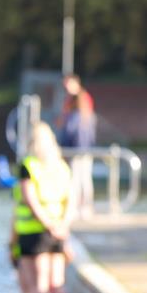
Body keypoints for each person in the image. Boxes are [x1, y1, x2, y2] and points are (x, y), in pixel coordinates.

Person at [15, 122, 75, 293]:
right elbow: (71, 200)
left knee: (38, 285)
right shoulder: (61, 166)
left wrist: (47, 225)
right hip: (58, 230)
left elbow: (30, 201)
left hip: (34, 232)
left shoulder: (29, 165)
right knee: (56, 283)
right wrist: (62, 227)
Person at [56, 73, 96, 219]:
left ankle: (84, 207)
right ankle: (81, 207)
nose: (66, 87)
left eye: (68, 84)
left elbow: (75, 128)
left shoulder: (81, 100)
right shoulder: (70, 101)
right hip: (79, 147)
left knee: (81, 178)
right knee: (79, 178)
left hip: (79, 147)